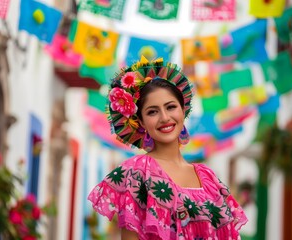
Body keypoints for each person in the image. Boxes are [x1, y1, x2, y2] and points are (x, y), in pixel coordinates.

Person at [88, 56, 248, 240]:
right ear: (141, 121)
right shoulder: (137, 172)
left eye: (171, 107)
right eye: (152, 111)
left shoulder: (208, 178)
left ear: (183, 110)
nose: (164, 118)